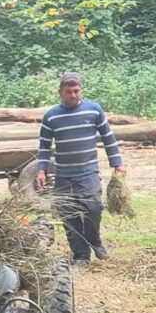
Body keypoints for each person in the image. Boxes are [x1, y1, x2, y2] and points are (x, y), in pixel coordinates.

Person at [33, 70, 123, 262]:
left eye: (76, 91)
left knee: (93, 209)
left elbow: (108, 137)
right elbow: (44, 146)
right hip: (63, 175)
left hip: (88, 173)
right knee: (68, 215)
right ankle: (81, 254)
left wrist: (117, 163)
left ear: (80, 90)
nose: (73, 95)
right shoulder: (51, 116)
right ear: (60, 92)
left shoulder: (94, 110)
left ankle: (95, 241)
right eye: (68, 92)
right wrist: (41, 170)